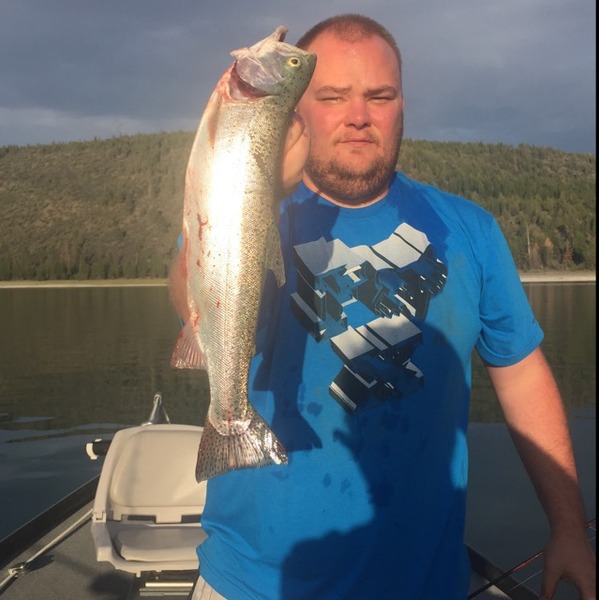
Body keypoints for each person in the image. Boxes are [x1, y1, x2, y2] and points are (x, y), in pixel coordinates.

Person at [172, 14, 596, 600]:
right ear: (296, 110)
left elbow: (521, 374)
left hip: (425, 584)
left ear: (402, 106)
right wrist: (264, 190)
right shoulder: (240, 210)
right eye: (332, 96)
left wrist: (569, 526)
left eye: (379, 96)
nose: (358, 115)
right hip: (252, 583)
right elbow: (189, 301)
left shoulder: (469, 229)